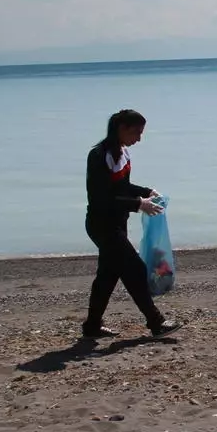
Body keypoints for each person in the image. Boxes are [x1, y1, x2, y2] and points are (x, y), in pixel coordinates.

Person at [82, 109, 182, 339]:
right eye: (136, 132)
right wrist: (139, 204)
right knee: (135, 269)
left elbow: (121, 187)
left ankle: (92, 326)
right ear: (122, 129)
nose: (139, 138)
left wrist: (146, 192)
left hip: (118, 224)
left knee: (108, 275)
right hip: (102, 225)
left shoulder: (123, 153)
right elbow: (102, 198)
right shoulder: (99, 156)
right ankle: (156, 322)